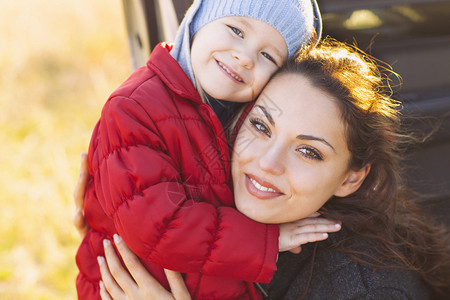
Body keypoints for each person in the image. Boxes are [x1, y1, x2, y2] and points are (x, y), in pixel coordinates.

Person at [75, 38, 450, 299]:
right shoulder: (204, 205)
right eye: (260, 126)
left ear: (351, 177)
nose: (267, 163)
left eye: (308, 152)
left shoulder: (363, 288)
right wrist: (106, 219)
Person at [76, 0, 327, 299]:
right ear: (197, 21)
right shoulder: (135, 109)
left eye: (267, 55)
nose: (245, 58)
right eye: (235, 30)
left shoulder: (242, 116)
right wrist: (267, 242)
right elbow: (157, 226)